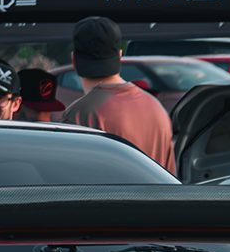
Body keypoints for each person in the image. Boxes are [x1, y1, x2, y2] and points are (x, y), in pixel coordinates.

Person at [61, 15, 177, 172]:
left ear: (74, 60)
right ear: (120, 55)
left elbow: (69, 178)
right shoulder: (157, 109)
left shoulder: (80, 114)